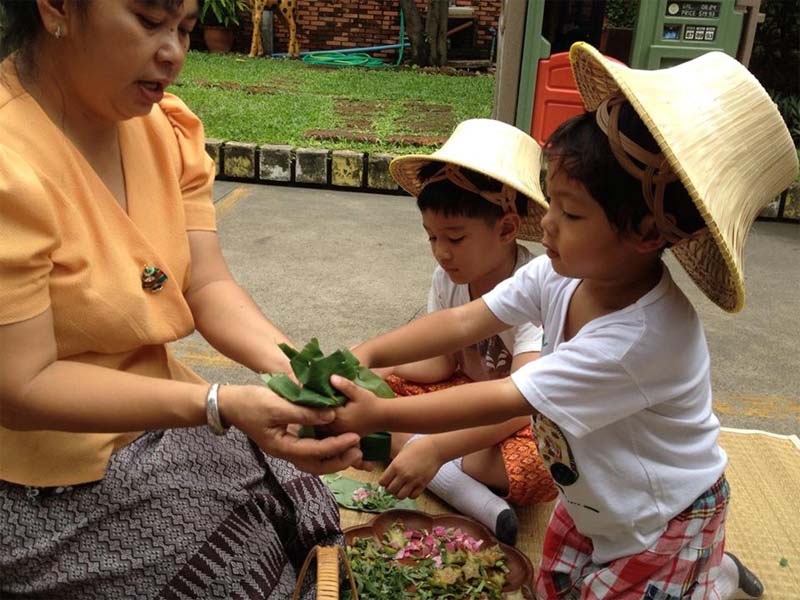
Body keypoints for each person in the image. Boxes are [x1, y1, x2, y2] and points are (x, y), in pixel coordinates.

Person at [330, 43, 798, 598]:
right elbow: (463, 323)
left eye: (571, 213)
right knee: (552, 586)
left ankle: (710, 576)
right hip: (591, 494)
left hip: (661, 520)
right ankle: (705, 573)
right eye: (551, 202)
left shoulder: (639, 339)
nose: (546, 226)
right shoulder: (560, 274)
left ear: (648, 234)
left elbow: (510, 398)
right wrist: (368, 353)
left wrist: (394, 420)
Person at [0, 1, 362, 598]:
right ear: (57, 8)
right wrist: (218, 402)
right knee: (232, 572)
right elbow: (24, 384)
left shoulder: (163, 127)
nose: (173, 52)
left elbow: (206, 283)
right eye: (148, 21)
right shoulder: (12, 164)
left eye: (186, 29)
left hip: (157, 417)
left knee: (304, 513)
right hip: (41, 479)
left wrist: (301, 370)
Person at [374, 119, 557, 545]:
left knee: (543, 463)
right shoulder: (449, 277)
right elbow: (442, 360)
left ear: (507, 228)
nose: (441, 253)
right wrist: (382, 370)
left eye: (455, 237)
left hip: (514, 413)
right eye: (432, 237)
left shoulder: (534, 283)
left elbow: (523, 400)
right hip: (466, 399)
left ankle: (434, 463)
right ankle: (481, 501)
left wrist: (440, 446)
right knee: (374, 397)